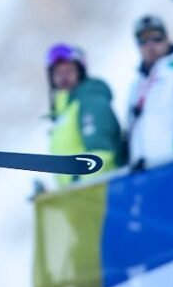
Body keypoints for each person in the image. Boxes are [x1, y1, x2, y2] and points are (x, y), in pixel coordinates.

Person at [125, 15, 173, 169]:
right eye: (143, 41)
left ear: (167, 38)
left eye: (156, 38)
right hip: (145, 170)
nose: (150, 45)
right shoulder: (137, 83)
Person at [46, 44, 122, 185]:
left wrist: (79, 183)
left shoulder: (90, 102)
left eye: (69, 71)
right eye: (58, 73)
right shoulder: (65, 111)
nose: (64, 78)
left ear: (80, 72)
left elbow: (101, 151)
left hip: (102, 191)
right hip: (81, 196)